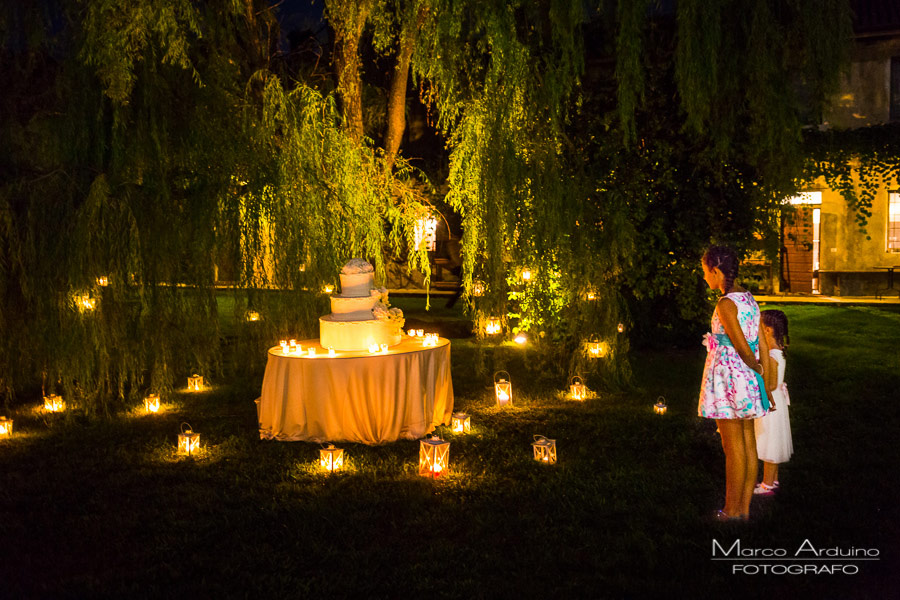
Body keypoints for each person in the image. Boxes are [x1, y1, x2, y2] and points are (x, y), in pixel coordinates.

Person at [698, 246, 774, 521]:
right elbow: (762, 343)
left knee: (733, 449)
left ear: (717, 272)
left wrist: (755, 367)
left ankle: (731, 511)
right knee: (748, 444)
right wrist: (762, 381)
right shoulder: (749, 299)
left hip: (730, 381)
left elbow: (743, 348)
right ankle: (744, 510)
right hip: (748, 382)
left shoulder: (726, 303)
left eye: (706, 272)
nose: (705, 278)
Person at [753, 309, 793, 495]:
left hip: (771, 404)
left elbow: (770, 383)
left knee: (770, 443)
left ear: (767, 330)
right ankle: (773, 481)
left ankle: (767, 484)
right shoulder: (776, 352)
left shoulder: (771, 357)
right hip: (777, 402)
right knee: (773, 442)